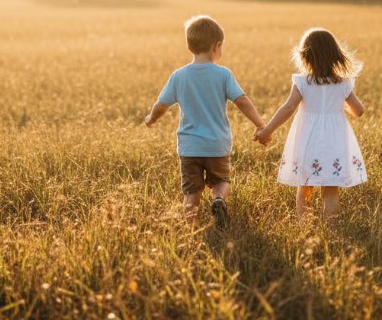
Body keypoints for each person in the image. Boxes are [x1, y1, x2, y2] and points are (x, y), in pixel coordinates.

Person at [144, 15, 265, 228]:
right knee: (221, 181)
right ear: (216, 46)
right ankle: (219, 199)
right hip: (217, 144)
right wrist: (260, 124)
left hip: (190, 147)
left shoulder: (179, 76)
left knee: (192, 191)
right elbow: (242, 101)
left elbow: (161, 105)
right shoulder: (223, 74)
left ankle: (192, 229)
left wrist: (151, 118)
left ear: (189, 46)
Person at [254, 27, 367, 223]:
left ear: (306, 56)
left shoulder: (303, 82)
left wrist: (267, 130)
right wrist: (339, 105)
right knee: (330, 190)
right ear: (335, 55)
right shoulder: (342, 84)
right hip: (335, 140)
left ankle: (304, 227)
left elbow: (288, 108)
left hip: (308, 140)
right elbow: (359, 110)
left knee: (305, 186)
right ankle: (331, 229)